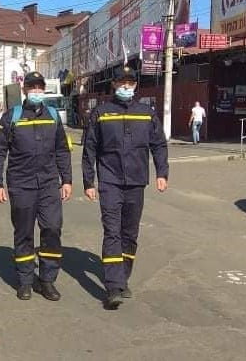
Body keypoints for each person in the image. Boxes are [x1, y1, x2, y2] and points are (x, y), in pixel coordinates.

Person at [81, 65, 169, 309]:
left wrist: (162, 172)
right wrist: (89, 181)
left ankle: (123, 277)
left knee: (130, 234)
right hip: (109, 181)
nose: (126, 87)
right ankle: (112, 287)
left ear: (135, 85)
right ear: (114, 85)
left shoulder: (146, 113)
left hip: (136, 182)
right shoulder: (101, 113)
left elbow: (159, 144)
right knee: (112, 232)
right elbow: (89, 149)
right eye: (121, 83)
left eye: (130, 83)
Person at [0, 71, 72, 302]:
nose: (36, 91)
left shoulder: (53, 116)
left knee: (52, 229)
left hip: (48, 184)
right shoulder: (12, 116)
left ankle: (47, 280)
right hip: (21, 185)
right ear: (24, 90)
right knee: (24, 233)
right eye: (32, 87)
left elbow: (63, 151)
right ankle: (25, 280)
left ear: (43, 90)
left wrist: (66, 180)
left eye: (39, 88)